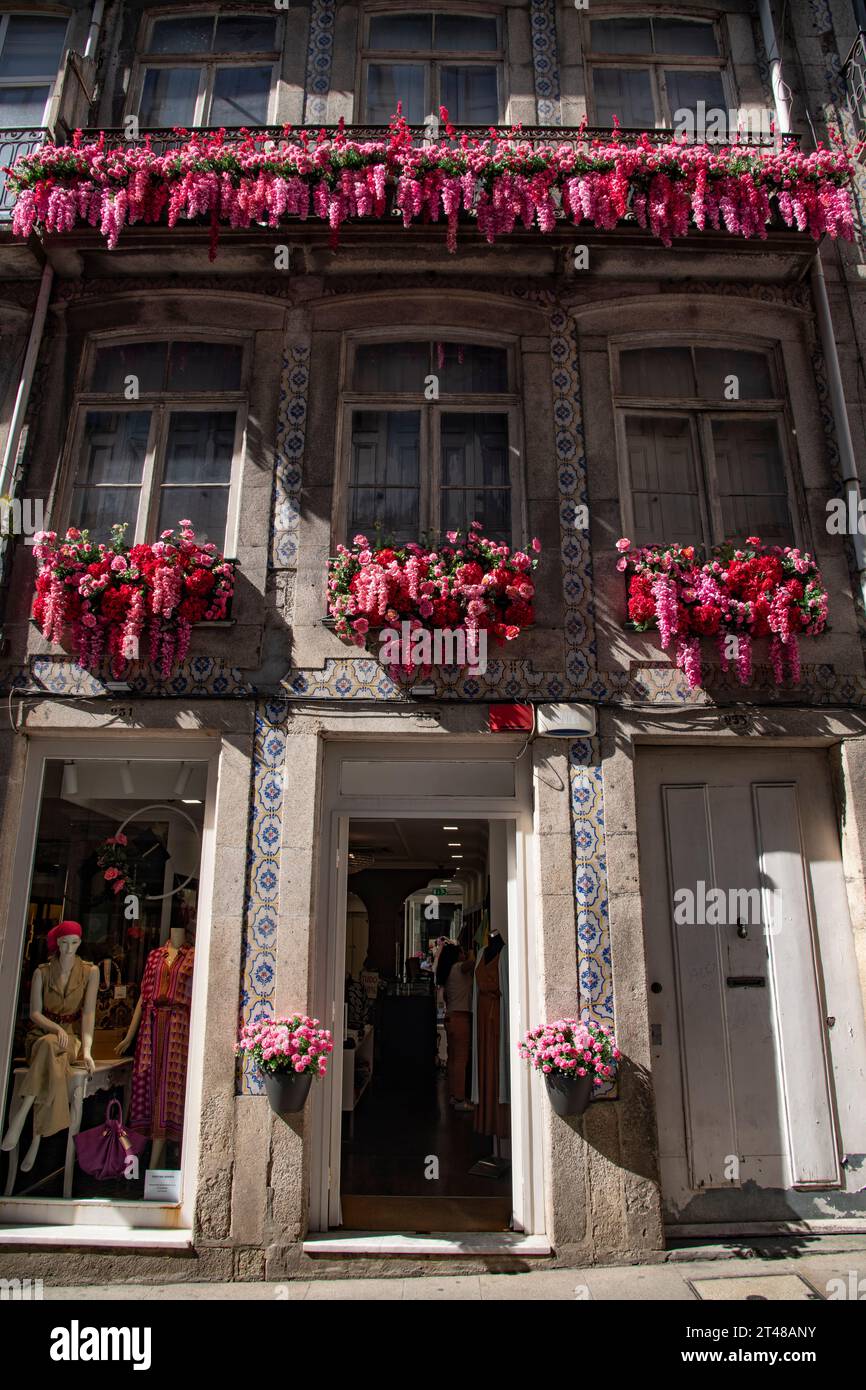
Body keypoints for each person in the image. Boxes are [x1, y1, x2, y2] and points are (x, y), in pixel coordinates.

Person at [435, 940, 475, 1111]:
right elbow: (472, 963)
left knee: (452, 1059)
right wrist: (473, 951)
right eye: (461, 952)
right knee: (460, 1059)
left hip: (450, 1017)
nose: (464, 954)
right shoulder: (459, 968)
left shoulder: (449, 973)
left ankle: (453, 1094)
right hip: (460, 1019)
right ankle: (459, 1098)